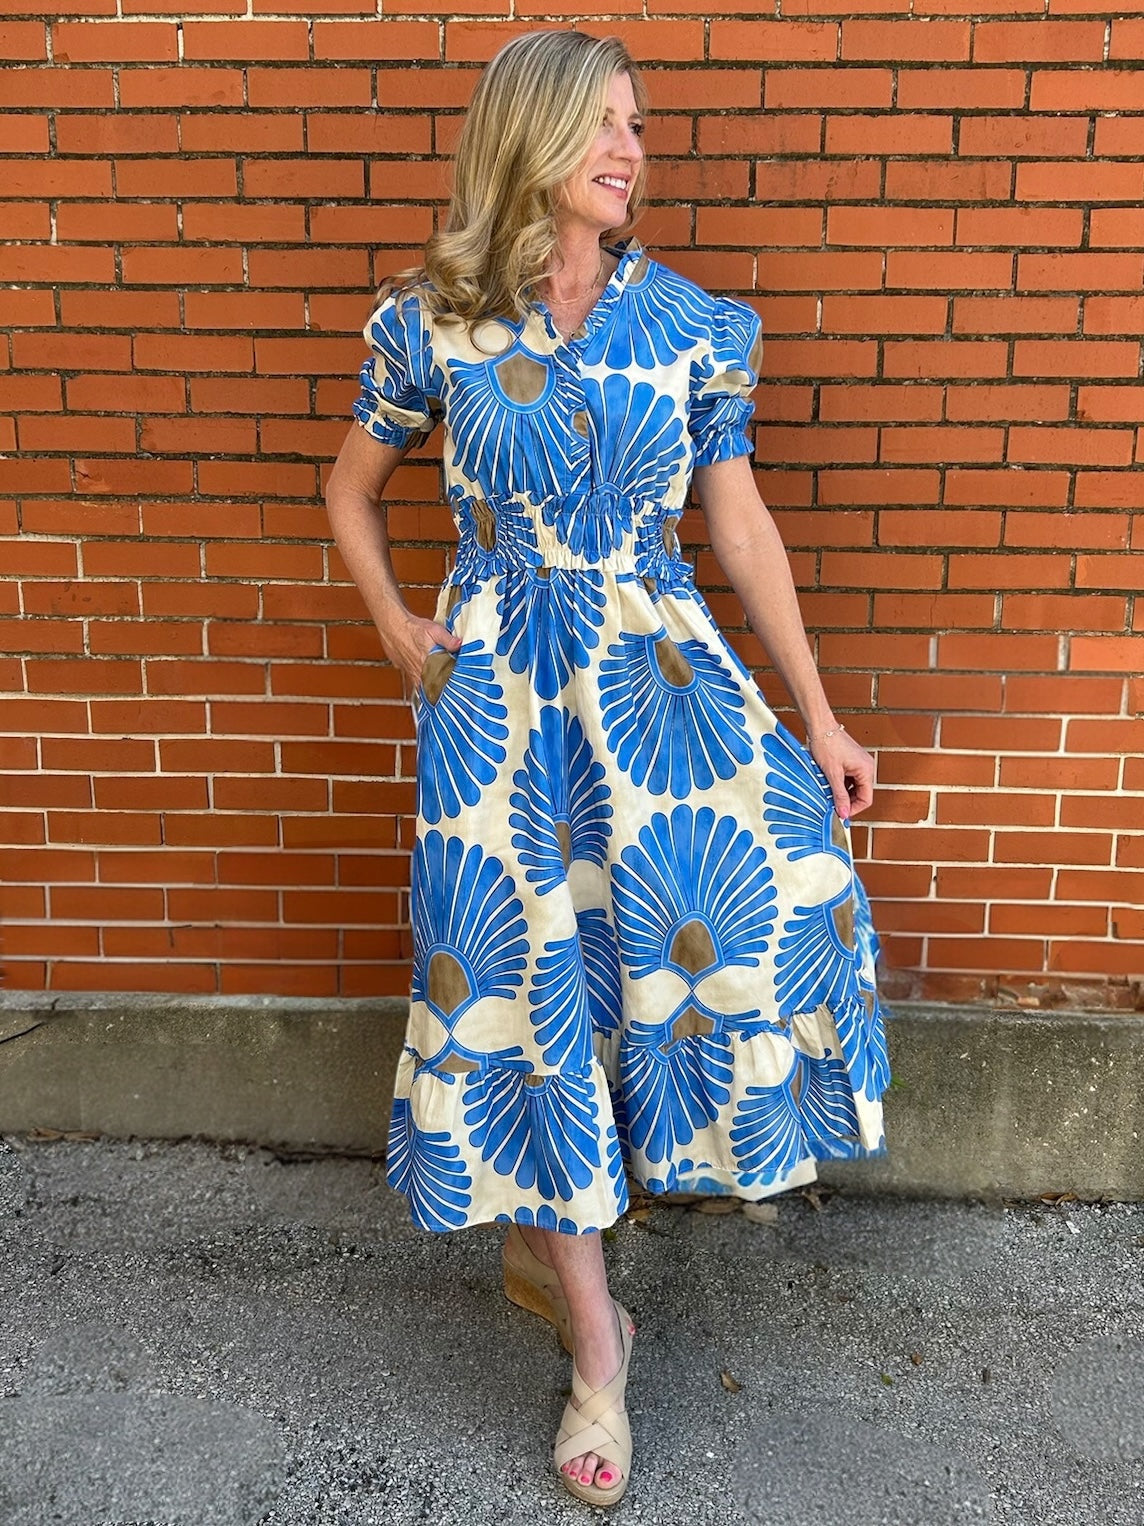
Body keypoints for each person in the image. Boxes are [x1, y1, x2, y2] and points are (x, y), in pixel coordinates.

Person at [325, 29, 890, 1509]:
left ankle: (557, 1239)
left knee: (787, 890)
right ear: (534, 134)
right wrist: (395, 623)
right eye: (607, 126)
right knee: (531, 990)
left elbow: (740, 525)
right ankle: (595, 1343)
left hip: (654, 678)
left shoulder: (690, 324)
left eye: (640, 126)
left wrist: (819, 717)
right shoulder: (433, 322)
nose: (633, 151)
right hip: (497, 705)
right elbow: (350, 488)